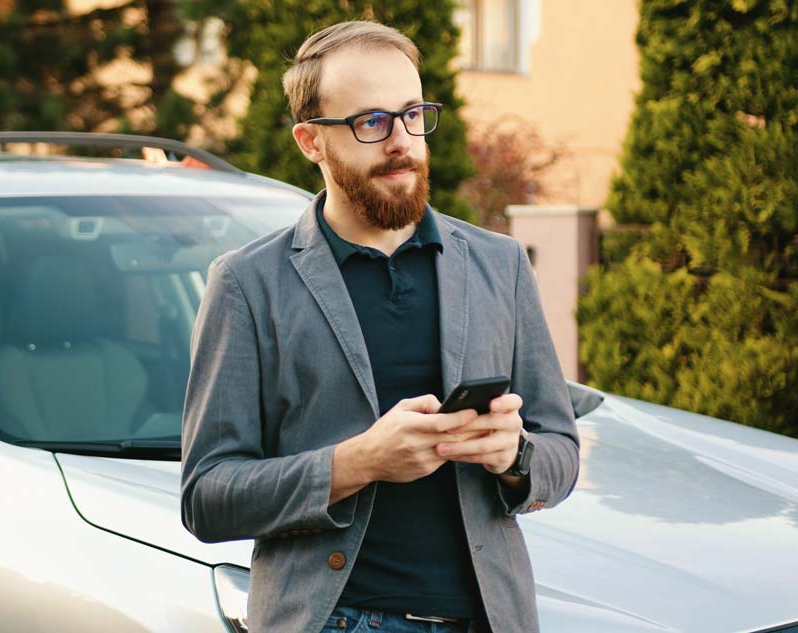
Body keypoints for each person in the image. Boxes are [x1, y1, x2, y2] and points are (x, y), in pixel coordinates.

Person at [181, 20, 579, 633]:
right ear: (312, 141)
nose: (401, 140)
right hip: (335, 620)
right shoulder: (247, 284)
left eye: (413, 114)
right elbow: (207, 497)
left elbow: (562, 453)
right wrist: (358, 462)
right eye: (371, 122)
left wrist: (515, 455)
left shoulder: (499, 264)